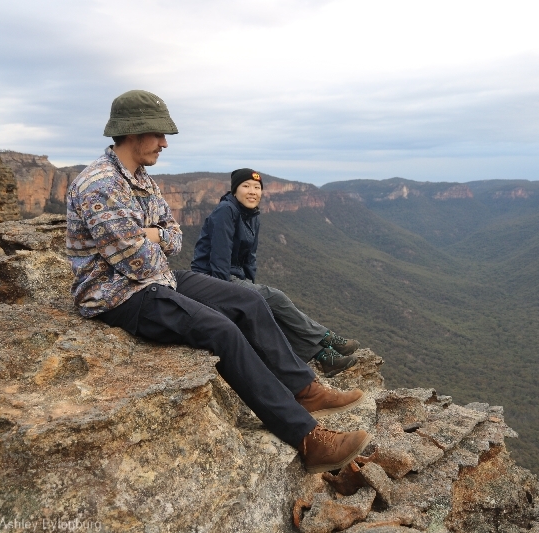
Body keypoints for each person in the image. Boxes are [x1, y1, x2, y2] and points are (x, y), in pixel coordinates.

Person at [65, 89, 372, 473]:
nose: (163, 143)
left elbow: (174, 236)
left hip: (157, 277)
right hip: (117, 294)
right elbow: (136, 264)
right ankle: (309, 439)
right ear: (133, 132)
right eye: (159, 134)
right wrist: (151, 236)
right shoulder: (100, 185)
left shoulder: (140, 179)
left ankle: (304, 389)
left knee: (250, 302)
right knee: (221, 330)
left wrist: (153, 234)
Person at [191, 168, 360, 377]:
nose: (252, 191)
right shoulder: (226, 211)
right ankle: (327, 338)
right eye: (246, 186)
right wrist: (238, 297)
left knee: (271, 310)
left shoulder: (252, 216)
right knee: (276, 298)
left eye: (257, 187)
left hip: (235, 278)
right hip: (212, 279)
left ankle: (326, 358)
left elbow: (249, 259)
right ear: (235, 190)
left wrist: (251, 290)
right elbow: (218, 259)